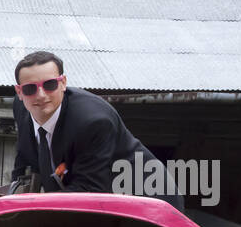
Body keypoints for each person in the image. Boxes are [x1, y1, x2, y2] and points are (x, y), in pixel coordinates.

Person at [11, 51, 184, 211]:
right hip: (95, 194)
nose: (40, 95)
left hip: (147, 199)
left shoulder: (93, 122)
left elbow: (88, 189)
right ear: (19, 92)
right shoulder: (22, 107)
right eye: (30, 88)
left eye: (49, 85)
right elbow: (24, 160)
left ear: (63, 83)